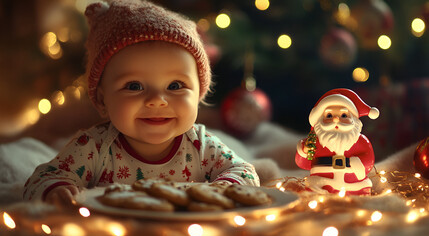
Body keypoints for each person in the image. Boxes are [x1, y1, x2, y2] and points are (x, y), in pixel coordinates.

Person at [23, 0, 260, 205]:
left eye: (175, 86)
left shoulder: (201, 146)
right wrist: (55, 190)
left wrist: (225, 187)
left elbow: (245, 173)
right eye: (134, 86)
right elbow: (40, 179)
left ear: (199, 94)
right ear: (103, 99)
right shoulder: (93, 147)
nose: (157, 100)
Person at [295, 88, 379, 195]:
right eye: (329, 116)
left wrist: (356, 164)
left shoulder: (360, 141)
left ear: (354, 120)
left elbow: (368, 159)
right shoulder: (314, 141)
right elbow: (303, 164)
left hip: (354, 184)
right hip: (321, 184)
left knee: (359, 200)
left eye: (344, 115)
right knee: (314, 197)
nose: (335, 119)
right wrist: (304, 151)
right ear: (319, 119)